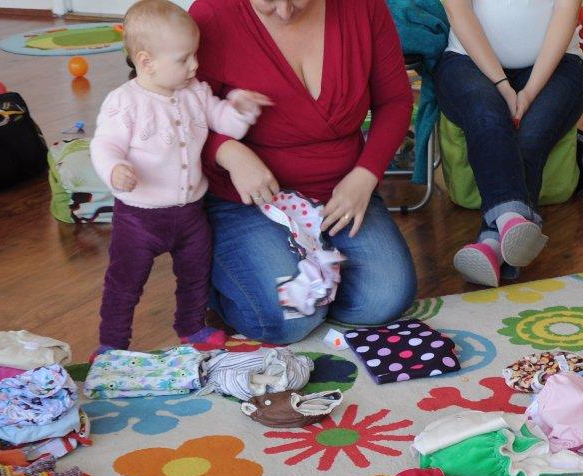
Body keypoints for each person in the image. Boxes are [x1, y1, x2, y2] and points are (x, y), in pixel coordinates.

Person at [191, 0, 417, 345]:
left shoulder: (364, 7)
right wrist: (228, 151)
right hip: (250, 202)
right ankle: (219, 280)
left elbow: (395, 100)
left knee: (384, 299)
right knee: (291, 319)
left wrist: (366, 175)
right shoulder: (211, 15)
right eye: (268, 1)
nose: (284, 11)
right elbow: (177, 115)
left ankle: (310, 275)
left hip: (342, 193)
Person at [90, 0, 268, 353]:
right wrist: (114, 168)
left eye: (195, 55)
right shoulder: (125, 102)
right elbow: (104, 144)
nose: (195, 65)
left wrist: (240, 110)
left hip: (190, 213)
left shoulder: (196, 93)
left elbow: (226, 124)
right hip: (139, 217)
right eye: (184, 59)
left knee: (195, 274)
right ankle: (112, 343)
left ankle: (191, 327)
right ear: (146, 62)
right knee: (125, 283)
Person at [434, 0, 583, 287]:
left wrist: (528, 93)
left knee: (529, 138)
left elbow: (566, 13)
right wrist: (502, 84)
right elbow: (458, 10)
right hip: (467, 61)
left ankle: (492, 244)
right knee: (488, 118)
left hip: (556, 66)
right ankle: (511, 221)